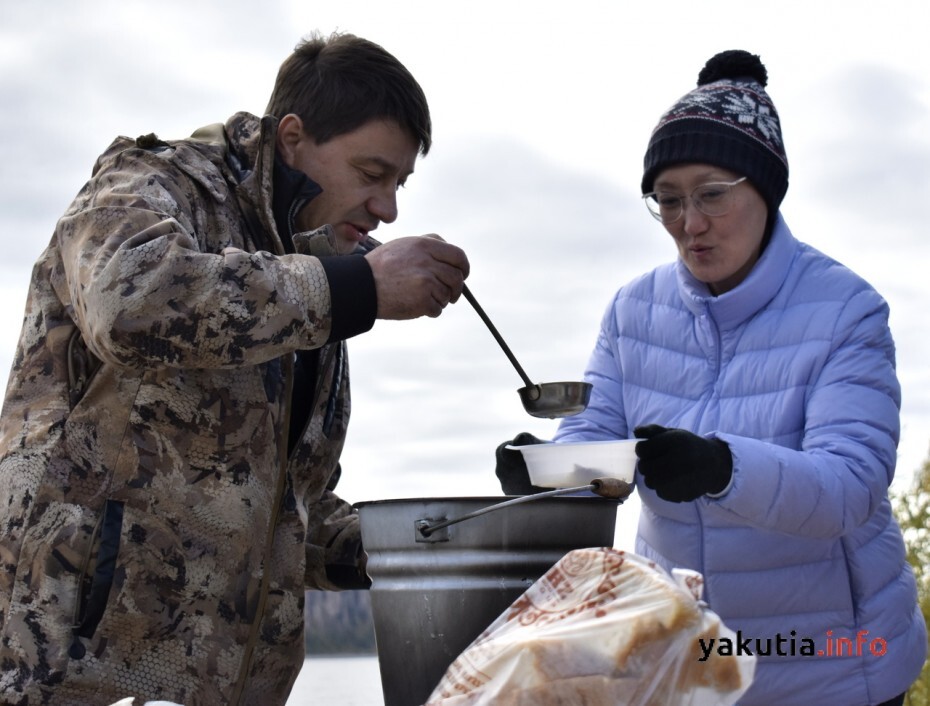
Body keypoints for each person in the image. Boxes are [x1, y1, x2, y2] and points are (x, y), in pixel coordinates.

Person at [0, 31, 469, 705]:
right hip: (80, 674)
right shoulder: (153, 186)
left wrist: (421, 545)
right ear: (292, 138)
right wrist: (354, 290)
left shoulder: (308, 275)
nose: (389, 208)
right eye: (372, 175)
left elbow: (284, 510)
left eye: (400, 182)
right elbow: (126, 303)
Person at [497, 50, 926, 705]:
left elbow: (851, 486)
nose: (689, 224)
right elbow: (598, 432)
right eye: (667, 201)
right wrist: (549, 470)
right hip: (694, 665)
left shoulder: (846, 309)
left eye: (711, 196)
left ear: (764, 187)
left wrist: (724, 469)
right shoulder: (633, 310)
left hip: (833, 663)